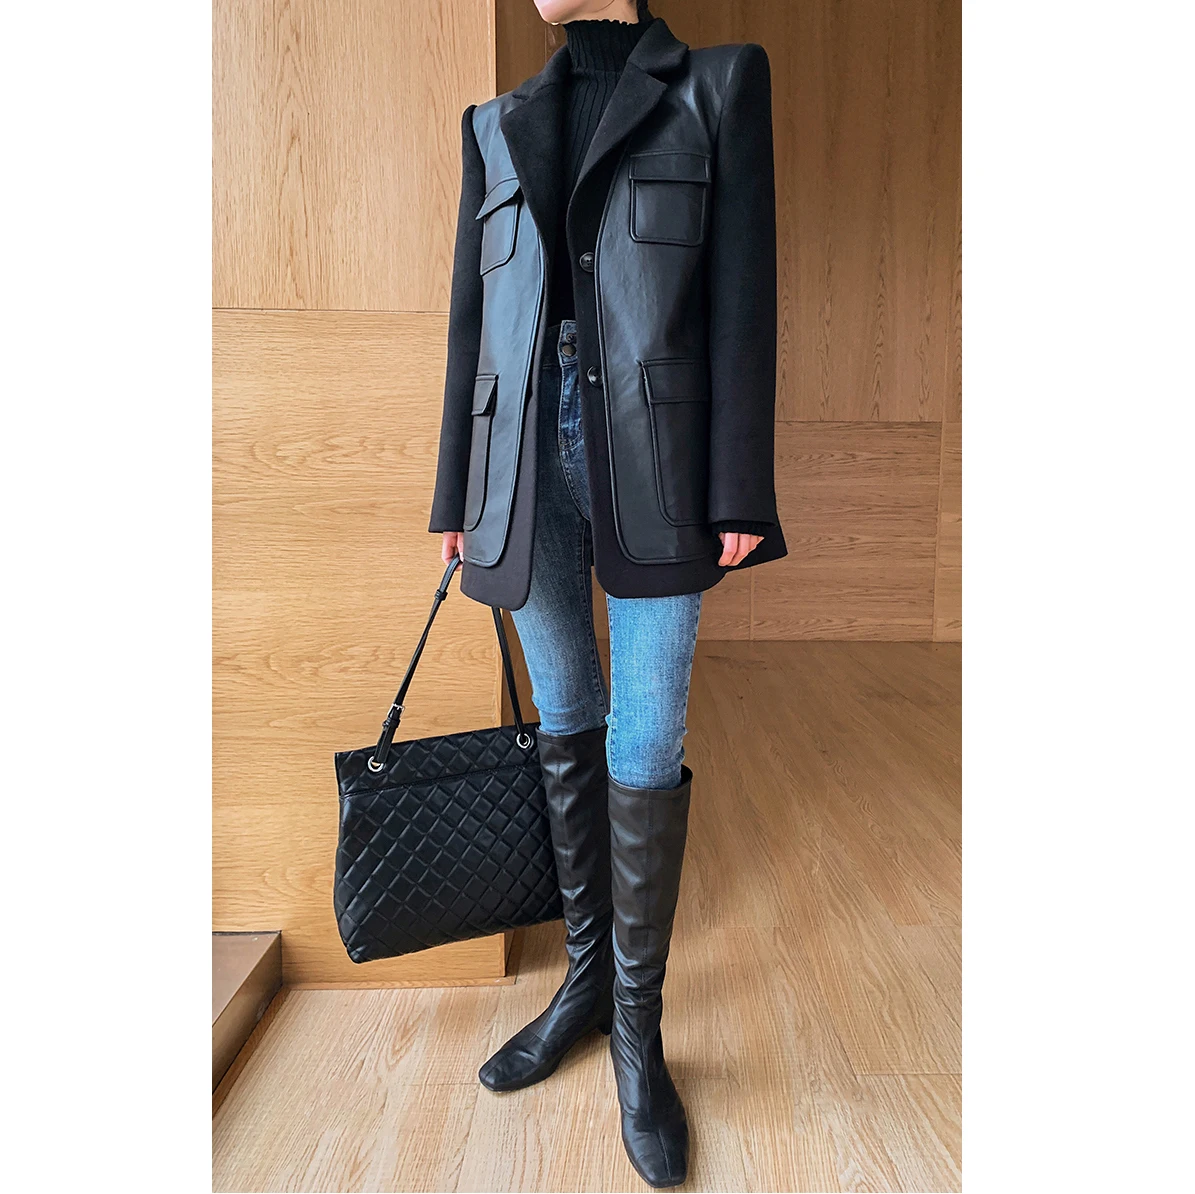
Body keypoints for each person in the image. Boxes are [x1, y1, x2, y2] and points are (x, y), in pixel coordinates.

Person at [428, 1, 786, 1185]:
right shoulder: (493, 123)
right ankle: (583, 984)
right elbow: (471, 322)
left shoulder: (717, 85)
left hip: (656, 456)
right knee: (565, 714)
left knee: (645, 737)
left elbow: (741, 296)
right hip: (515, 464)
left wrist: (738, 486)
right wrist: (454, 493)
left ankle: (638, 1031)